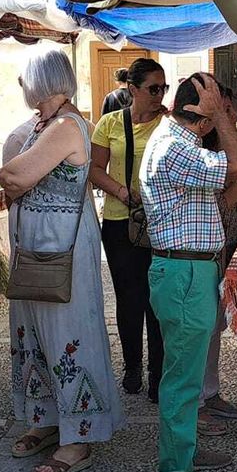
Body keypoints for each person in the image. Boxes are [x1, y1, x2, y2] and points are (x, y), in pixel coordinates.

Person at [0, 50, 123, 472]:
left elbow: (13, 177)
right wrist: (10, 175)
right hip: (37, 247)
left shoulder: (67, 126)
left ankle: (79, 436)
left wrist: (7, 176)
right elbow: (14, 174)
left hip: (61, 249)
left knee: (68, 334)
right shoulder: (42, 126)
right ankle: (47, 417)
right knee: (34, 334)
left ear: (40, 81)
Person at [140, 75, 237, 472]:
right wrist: (224, 119)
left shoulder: (177, 142)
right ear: (206, 115)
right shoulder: (178, 147)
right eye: (222, 109)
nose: (228, 117)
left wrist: (215, 118)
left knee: (183, 375)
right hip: (184, 273)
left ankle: (184, 454)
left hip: (189, 269)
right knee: (183, 381)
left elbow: (219, 203)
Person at [88, 57, 167, 398]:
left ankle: (157, 372)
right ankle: (132, 364)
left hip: (162, 223)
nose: (160, 95)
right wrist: (122, 191)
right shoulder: (109, 123)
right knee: (128, 298)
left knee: (158, 300)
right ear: (132, 90)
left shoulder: (170, 124)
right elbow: (94, 169)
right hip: (120, 222)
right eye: (153, 89)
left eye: (163, 88)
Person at [190, 73, 237, 435]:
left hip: (223, 245)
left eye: (230, 109)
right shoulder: (202, 153)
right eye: (223, 110)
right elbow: (221, 206)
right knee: (200, 328)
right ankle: (197, 405)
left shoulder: (221, 146)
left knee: (214, 325)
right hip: (203, 249)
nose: (230, 115)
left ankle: (210, 394)